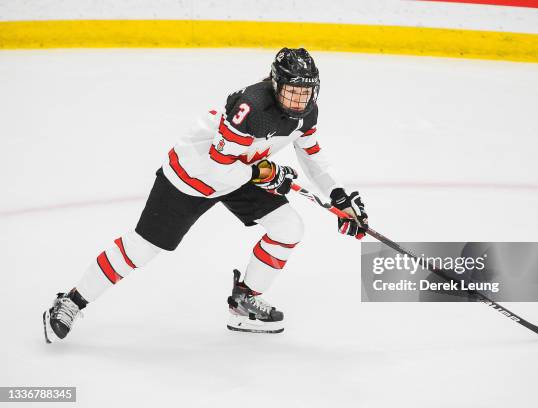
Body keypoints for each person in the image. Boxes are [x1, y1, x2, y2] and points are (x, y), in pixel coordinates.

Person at [43, 47, 368, 341]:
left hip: (240, 172)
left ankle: (244, 300)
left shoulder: (306, 112)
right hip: (193, 176)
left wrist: (339, 195)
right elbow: (216, 169)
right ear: (275, 84)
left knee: (289, 227)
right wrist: (263, 173)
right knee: (142, 248)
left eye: (306, 92)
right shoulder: (250, 108)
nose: (299, 101)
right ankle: (71, 300)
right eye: (292, 91)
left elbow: (310, 152)